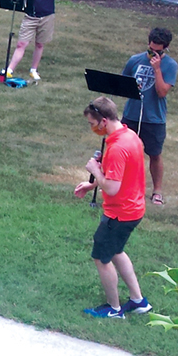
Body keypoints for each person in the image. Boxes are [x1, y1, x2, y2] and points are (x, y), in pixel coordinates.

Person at [73, 98, 151, 319]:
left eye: (92, 124)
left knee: (102, 257)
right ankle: (138, 301)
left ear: (104, 121)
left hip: (119, 213)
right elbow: (119, 175)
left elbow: (113, 187)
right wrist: (91, 185)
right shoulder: (130, 135)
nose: (92, 128)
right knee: (116, 251)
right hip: (133, 209)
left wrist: (94, 171)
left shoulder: (117, 148)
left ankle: (113, 309)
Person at [121, 27, 177, 206]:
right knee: (123, 152)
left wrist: (157, 69)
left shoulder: (170, 66)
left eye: (158, 51)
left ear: (165, 49)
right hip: (131, 115)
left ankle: (157, 191)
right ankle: (122, 186)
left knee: (155, 154)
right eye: (150, 50)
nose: (153, 54)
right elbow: (122, 84)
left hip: (154, 118)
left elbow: (162, 92)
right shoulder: (134, 60)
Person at [2, 0, 66, 83]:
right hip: (31, 16)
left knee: (39, 44)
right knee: (21, 43)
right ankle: (9, 69)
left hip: (47, 16)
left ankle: (33, 70)